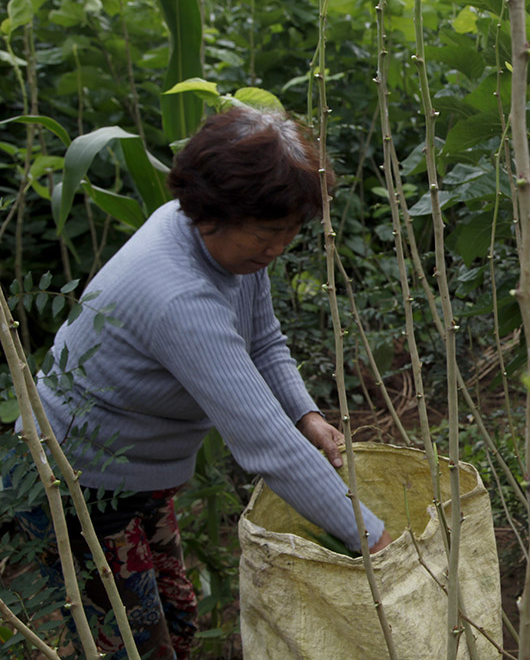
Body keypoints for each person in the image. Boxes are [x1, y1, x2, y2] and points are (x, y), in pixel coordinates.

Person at [13, 107, 392, 659]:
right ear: (214, 212)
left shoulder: (220, 244)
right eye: (267, 234)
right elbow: (268, 447)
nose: (277, 249)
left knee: (176, 620)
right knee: (130, 645)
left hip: (135, 469)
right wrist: (371, 539)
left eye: (289, 233)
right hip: (72, 481)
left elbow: (263, 341)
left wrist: (306, 415)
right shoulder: (176, 295)